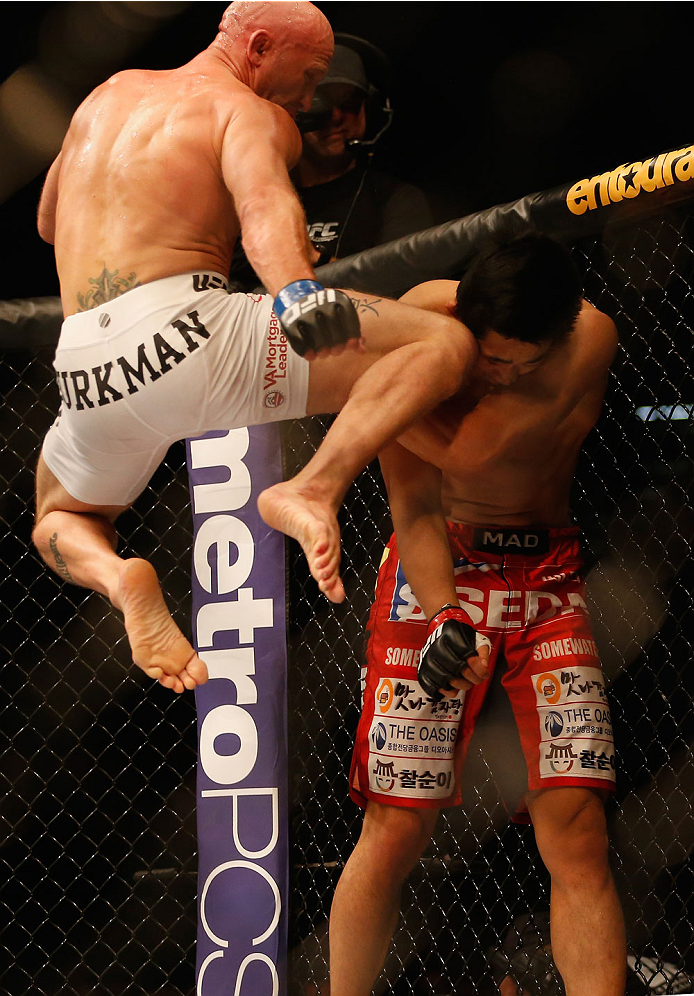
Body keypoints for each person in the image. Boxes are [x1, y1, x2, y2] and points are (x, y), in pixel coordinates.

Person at [32, 0, 476, 695]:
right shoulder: (247, 112)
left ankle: (120, 580)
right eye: (309, 75)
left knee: (59, 518)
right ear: (261, 46)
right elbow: (266, 205)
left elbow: (50, 219)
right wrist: (297, 295)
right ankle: (312, 486)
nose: (305, 98)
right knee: (442, 341)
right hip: (191, 333)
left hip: (84, 367)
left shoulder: (106, 93)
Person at [329, 235, 627, 996]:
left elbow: (471, 454)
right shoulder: (423, 321)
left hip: (545, 577)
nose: (494, 374)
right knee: (396, 826)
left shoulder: (587, 338)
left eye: (512, 364)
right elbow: (417, 501)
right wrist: (443, 616)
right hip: (437, 566)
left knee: (578, 831)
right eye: (485, 358)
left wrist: (371, 391)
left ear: (554, 337)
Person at [228, 36, 434, 290]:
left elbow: (409, 291)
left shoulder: (396, 201)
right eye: (321, 103)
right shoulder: (250, 193)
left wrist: (312, 257)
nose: (336, 117)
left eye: (349, 104)